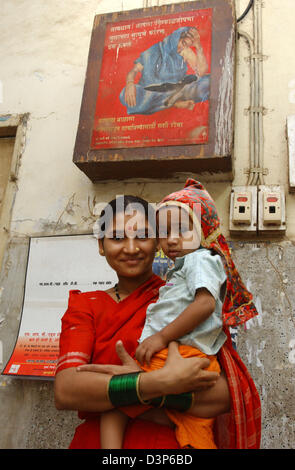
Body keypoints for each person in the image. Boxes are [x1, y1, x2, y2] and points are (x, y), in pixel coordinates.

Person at [54, 188, 261, 449]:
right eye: (117, 238)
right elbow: (67, 390)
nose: (131, 248)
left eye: (142, 236)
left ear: (157, 242)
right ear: (100, 245)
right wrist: (157, 383)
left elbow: (224, 396)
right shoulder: (85, 306)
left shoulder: (181, 301)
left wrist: (126, 391)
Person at [119, 26, 210, 115]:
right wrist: (130, 84)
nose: (183, 47)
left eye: (187, 46)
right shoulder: (156, 50)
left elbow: (201, 72)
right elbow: (134, 70)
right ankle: (174, 103)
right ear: (176, 38)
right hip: (151, 93)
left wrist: (198, 47)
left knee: (208, 82)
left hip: (178, 89)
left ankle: (172, 101)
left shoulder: (184, 51)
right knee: (125, 95)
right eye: (183, 43)